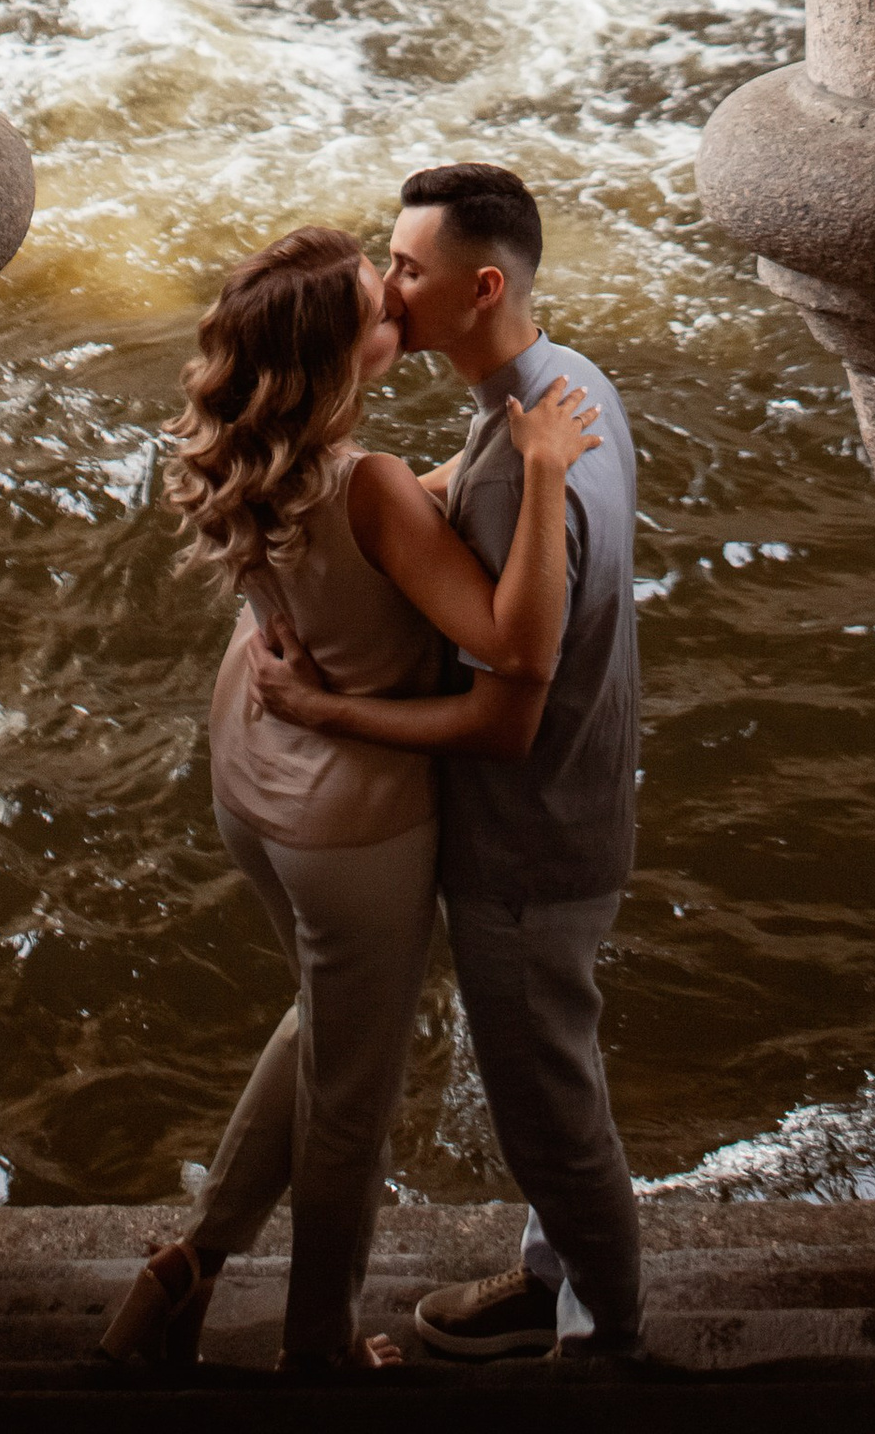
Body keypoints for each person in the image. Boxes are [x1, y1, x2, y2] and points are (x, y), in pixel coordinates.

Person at [101, 221, 601, 1382]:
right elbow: (508, 643)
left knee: (324, 1021)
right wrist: (538, 475)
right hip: (352, 818)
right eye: (380, 308)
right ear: (334, 361)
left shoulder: (254, 448)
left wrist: (426, 495)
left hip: (253, 778)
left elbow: (357, 530)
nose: (400, 317)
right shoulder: (367, 485)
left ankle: (186, 1268)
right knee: (351, 1100)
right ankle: (317, 1346)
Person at [251, 159, 643, 1367]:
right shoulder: (573, 390)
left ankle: (606, 1343)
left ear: (479, 287)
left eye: (407, 271)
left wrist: (327, 708)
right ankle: (553, 1278)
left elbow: (504, 718)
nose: (389, 290)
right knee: (547, 1073)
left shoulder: (519, 478)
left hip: (527, 833)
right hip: (584, 797)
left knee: (546, 1108)